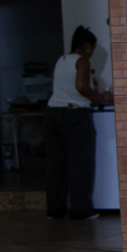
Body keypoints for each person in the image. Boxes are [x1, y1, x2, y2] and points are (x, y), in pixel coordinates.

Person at [47, 25, 110, 220]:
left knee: (56, 165)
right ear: (87, 47)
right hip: (74, 115)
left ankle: (55, 210)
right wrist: (101, 97)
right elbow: (81, 87)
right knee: (80, 164)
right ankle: (80, 210)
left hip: (52, 114)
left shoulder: (62, 60)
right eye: (92, 49)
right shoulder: (82, 61)